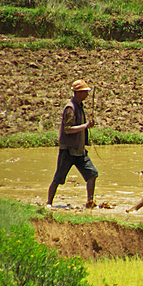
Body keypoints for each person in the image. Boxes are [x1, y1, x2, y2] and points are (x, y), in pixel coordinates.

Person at [47, 79, 98, 209]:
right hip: (68, 151)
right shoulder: (70, 108)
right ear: (78, 93)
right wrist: (86, 126)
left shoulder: (79, 106)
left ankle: (89, 202)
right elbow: (68, 129)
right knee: (58, 178)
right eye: (85, 92)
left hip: (80, 151)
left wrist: (86, 126)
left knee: (92, 174)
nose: (87, 94)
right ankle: (48, 204)